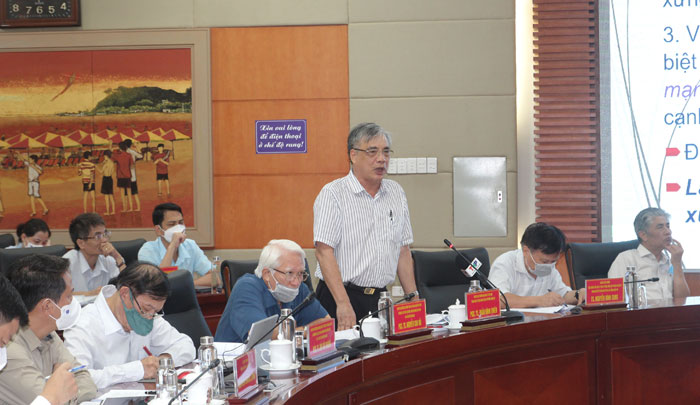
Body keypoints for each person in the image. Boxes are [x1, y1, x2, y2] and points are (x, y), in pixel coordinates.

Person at [313, 122, 418, 331]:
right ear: (353, 155)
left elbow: (403, 250)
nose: (381, 159)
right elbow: (324, 252)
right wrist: (343, 304)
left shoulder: (396, 192)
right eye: (372, 152)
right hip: (340, 297)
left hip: (380, 299)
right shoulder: (333, 194)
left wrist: (413, 299)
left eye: (386, 152)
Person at [63, 262, 195, 390]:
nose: (149, 317)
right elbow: (78, 379)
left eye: (155, 312)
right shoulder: (81, 325)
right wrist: (136, 370)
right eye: (145, 309)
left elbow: (186, 345)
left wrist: (162, 361)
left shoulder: (149, 316)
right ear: (125, 294)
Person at [0, 255, 97, 403]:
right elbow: (51, 400)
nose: (73, 301)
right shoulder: (8, 348)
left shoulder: (49, 333)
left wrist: (65, 391)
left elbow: (84, 377)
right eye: (69, 296)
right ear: (48, 307)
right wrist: (63, 391)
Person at [215, 240, 329, 343]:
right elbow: (261, 336)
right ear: (267, 274)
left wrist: (298, 331)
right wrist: (303, 332)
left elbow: (326, 323)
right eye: (289, 273)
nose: (296, 282)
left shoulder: (299, 288)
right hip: (235, 359)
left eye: (300, 273)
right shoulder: (246, 288)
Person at [0, 275, 79, 405]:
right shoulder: (11, 352)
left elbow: (83, 377)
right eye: (2, 342)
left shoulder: (49, 333)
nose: (4, 349)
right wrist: (52, 395)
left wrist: (57, 391)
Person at [488, 222, 584, 308]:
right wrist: (539, 300)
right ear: (526, 251)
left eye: (553, 261)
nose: (549, 265)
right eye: (544, 261)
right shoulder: (505, 263)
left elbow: (563, 295)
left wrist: (578, 294)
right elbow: (497, 299)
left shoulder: (550, 267)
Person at [608, 207, 690, 300]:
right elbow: (613, 296)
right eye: (660, 227)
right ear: (643, 235)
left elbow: (682, 300)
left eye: (668, 226)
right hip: (640, 309)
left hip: (669, 309)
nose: (668, 232)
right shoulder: (626, 259)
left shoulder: (669, 262)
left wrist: (677, 264)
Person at [138, 202, 216, 287]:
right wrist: (172, 246)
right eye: (171, 224)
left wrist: (186, 285)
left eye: (181, 223)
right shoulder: (147, 250)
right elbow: (156, 284)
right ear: (158, 230)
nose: (178, 228)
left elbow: (215, 278)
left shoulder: (190, 245)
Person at [64, 213, 126, 296]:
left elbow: (127, 286)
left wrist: (117, 257)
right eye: (98, 236)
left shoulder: (108, 259)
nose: (104, 240)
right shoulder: (67, 263)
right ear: (81, 243)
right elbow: (60, 296)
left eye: (105, 234)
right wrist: (90, 294)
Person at [18, 153, 49, 217]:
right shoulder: (29, 164)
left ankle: (45, 209)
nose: (29, 160)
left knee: (37, 196)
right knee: (31, 197)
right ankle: (34, 211)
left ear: (33, 160)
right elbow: (22, 159)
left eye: (30, 159)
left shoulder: (37, 166)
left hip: (35, 182)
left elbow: (41, 172)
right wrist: (19, 153)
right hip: (30, 182)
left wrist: (33, 167)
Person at [113, 141, 134, 212]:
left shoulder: (117, 155)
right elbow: (132, 165)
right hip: (128, 175)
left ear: (120, 148)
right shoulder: (129, 155)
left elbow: (111, 156)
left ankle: (125, 208)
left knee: (122, 194)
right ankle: (131, 208)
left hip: (120, 176)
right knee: (129, 192)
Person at [124, 139, 142, 212]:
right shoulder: (132, 152)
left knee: (126, 193)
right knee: (134, 192)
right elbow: (140, 156)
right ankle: (138, 207)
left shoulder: (124, 152)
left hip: (125, 175)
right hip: (132, 174)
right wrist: (137, 147)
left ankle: (128, 208)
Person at [97, 149, 116, 215]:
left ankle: (108, 212)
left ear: (106, 156)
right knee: (111, 196)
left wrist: (96, 167)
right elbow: (112, 171)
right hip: (110, 179)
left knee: (106, 197)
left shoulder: (106, 164)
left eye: (104, 156)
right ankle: (113, 211)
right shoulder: (112, 163)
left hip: (105, 179)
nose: (104, 157)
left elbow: (101, 172)